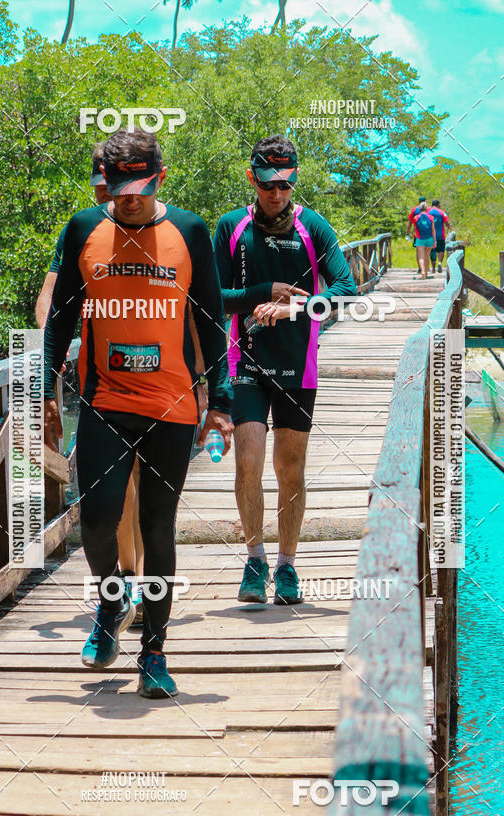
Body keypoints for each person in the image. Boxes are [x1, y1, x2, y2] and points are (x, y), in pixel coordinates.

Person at [43, 128, 233, 698]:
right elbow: (59, 321)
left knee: (157, 528)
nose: (127, 197)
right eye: (118, 186)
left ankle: (154, 652)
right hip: (103, 401)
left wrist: (220, 402)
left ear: (160, 176)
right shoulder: (84, 228)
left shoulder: (189, 231)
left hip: (171, 407)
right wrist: (43, 395)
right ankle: (109, 607)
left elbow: (211, 321)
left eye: (139, 186)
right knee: (96, 521)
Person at [214, 135, 356, 606]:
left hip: (299, 364)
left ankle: (287, 564)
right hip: (246, 362)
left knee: (290, 469)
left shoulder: (314, 227)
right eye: (268, 184)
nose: (277, 194)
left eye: (285, 184)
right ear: (252, 177)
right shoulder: (231, 227)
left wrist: (298, 308)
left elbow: (346, 289)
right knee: (249, 461)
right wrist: (262, 293)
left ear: (295, 180)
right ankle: (254, 559)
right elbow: (211, 299)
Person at [411, 201, 436, 280]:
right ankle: (426, 272)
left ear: (420, 208)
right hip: (429, 239)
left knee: (421, 257)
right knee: (427, 257)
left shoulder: (416, 218)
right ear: (426, 208)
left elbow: (414, 230)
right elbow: (433, 230)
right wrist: (434, 241)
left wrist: (415, 236)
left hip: (420, 239)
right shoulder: (431, 217)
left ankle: (422, 271)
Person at [428, 200, 450, 274]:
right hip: (441, 235)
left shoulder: (428, 212)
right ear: (438, 205)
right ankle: (440, 263)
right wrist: (450, 229)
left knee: (432, 251)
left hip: (431, 235)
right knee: (441, 250)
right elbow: (447, 222)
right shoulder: (442, 212)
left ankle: (433, 268)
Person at [405, 195, 426, 274]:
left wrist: (407, 233)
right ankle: (426, 268)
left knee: (418, 251)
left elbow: (410, 222)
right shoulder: (429, 209)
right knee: (426, 251)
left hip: (417, 234)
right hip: (428, 234)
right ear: (425, 201)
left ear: (418, 202)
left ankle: (420, 268)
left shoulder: (414, 210)